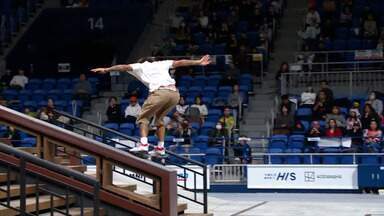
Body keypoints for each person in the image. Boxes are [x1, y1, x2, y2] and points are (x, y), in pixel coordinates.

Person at [91, 55, 212, 155]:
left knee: (143, 118)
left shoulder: (140, 65)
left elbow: (123, 67)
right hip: (175, 94)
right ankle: (160, 147)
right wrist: (198, 62)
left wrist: (107, 70)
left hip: (160, 93)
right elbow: (181, 62)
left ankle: (143, 144)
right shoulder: (162, 63)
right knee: (159, 120)